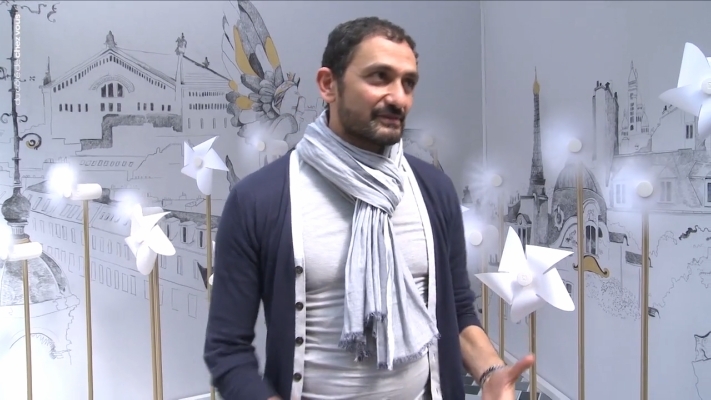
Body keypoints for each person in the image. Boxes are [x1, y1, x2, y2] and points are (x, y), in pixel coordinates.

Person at [204, 16, 534, 400]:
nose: (398, 97)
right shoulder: (258, 200)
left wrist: (491, 372)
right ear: (328, 85)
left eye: (408, 83)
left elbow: (458, 309)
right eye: (379, 77)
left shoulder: (435, 190)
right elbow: (227, 350)